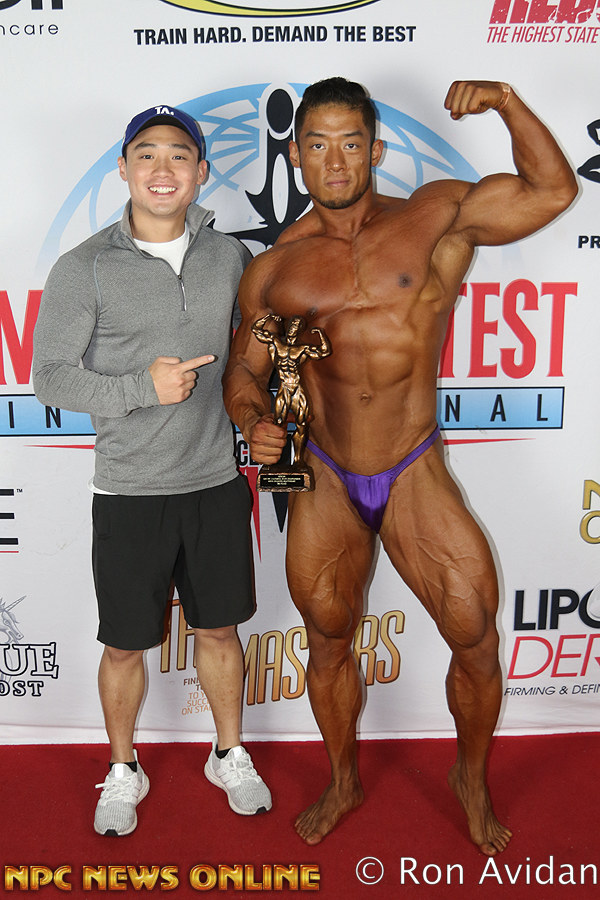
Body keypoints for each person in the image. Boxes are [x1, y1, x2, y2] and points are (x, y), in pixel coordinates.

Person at [222, 78, 577, 855]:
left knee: (474, 631)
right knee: (327, 637)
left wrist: (508, 102)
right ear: (295, 155)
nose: (335, 160)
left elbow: (552, 192)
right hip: (325, 474)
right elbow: (245, 370)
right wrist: (253, 422)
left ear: (376, 149)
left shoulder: (434, 215)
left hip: (414, 465)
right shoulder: (274, 269)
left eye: (350, 142)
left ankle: (470, 779)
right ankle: (344, 779)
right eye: (317, 145)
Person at [33, 104, 271, 836]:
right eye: (146, 154)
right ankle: (123, 767)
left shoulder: (229, 258)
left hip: (215, 483)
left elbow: (254, 357)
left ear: (201, 172)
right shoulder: (84, 267)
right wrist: (144, 386)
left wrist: (261, 417)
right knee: (125, 643)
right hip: (130, 490)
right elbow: (49, 378)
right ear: (124, 169)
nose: (162, 169)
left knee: (220, 632)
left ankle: (228, 753)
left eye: (178, 155)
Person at [251, 314, 331, 465]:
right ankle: (274, 463)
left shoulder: (302, 348)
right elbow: (256, 330)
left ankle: (298, 460)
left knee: (302, 424)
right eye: (292, 324)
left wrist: (320, 334)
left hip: (296, 388)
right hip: (283, 388)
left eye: (297, 326)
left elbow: (323, 351)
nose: (294, 327)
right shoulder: (276, 343)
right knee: (278, 423)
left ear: (300, 330)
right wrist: (268, 317)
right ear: (287, 327)